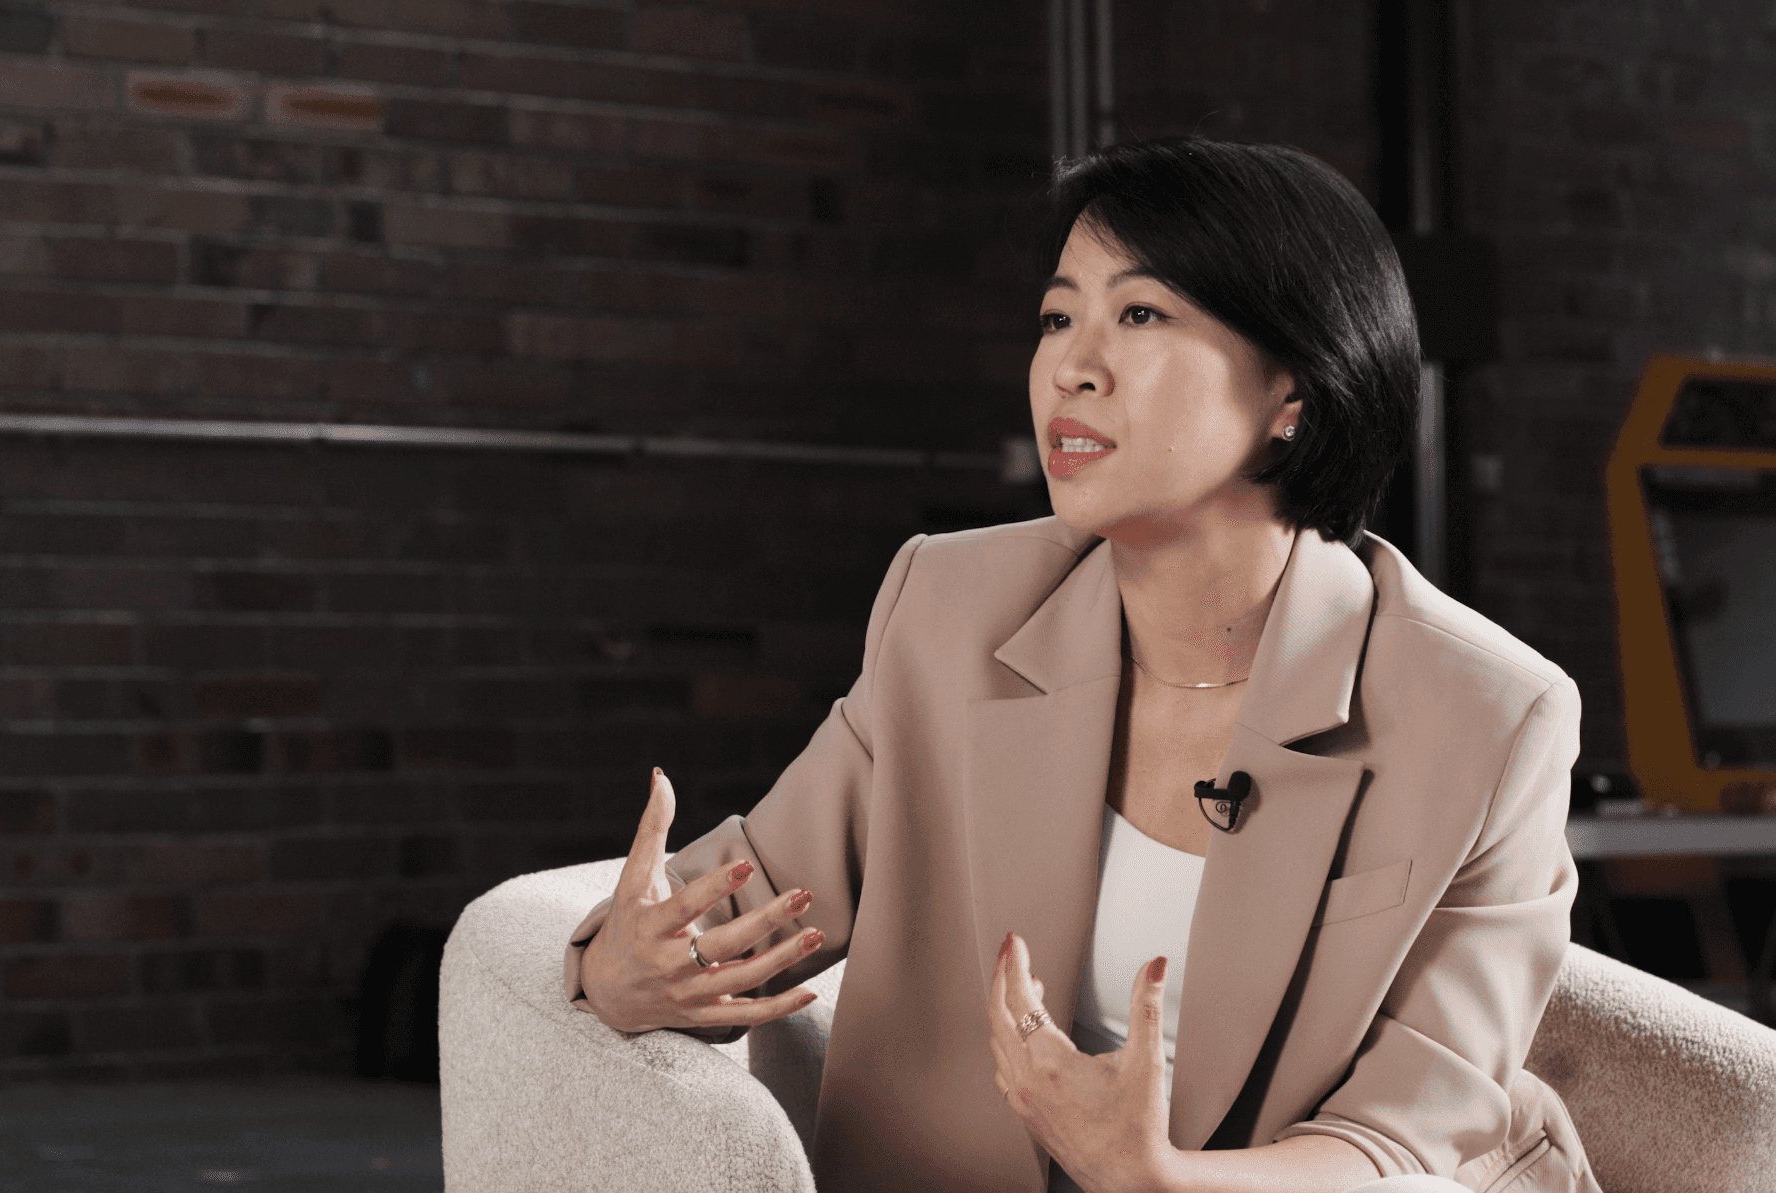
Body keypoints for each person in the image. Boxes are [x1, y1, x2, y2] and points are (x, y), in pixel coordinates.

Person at [565, 137, 1600, 1193]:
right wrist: (623, 965)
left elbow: (1404, 1137)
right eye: (1058, 317)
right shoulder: (951, 607)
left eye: (1140, 315)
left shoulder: (1488, 716)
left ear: (1291, 392)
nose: (1071, 366)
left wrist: (1156, 1177)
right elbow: (755, 897)